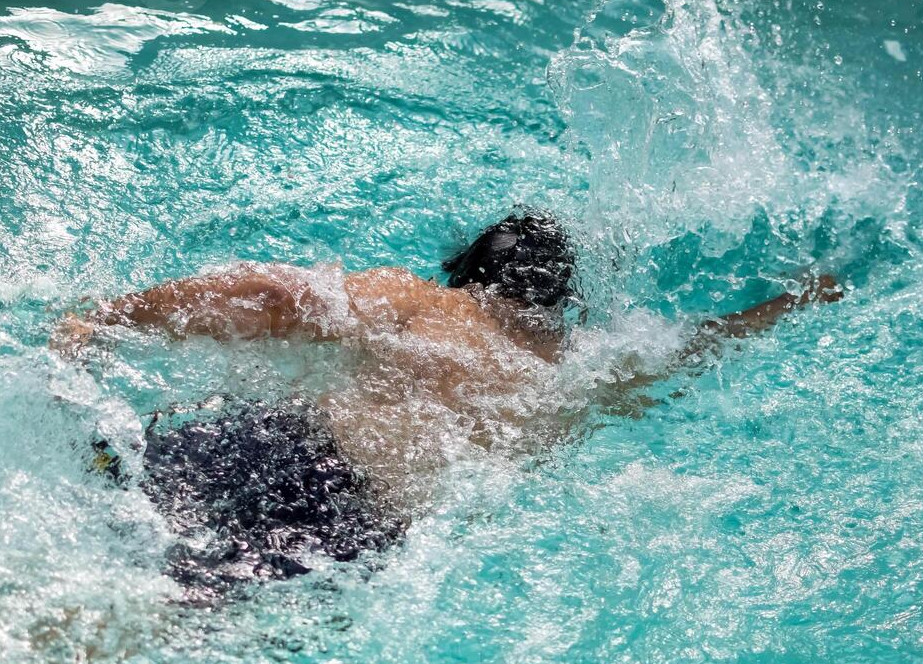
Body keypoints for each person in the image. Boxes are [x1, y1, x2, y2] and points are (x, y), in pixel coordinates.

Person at [53, 210, 840, 597]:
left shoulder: (421, 304)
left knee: (99, 498)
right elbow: (703, 343)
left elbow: (268, 293)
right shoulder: (579, 374)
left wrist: (112, 314)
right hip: (360, 530)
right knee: (183, 609)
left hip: (281, 445)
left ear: (465, 272)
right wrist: (801, 298)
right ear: (559, 304)